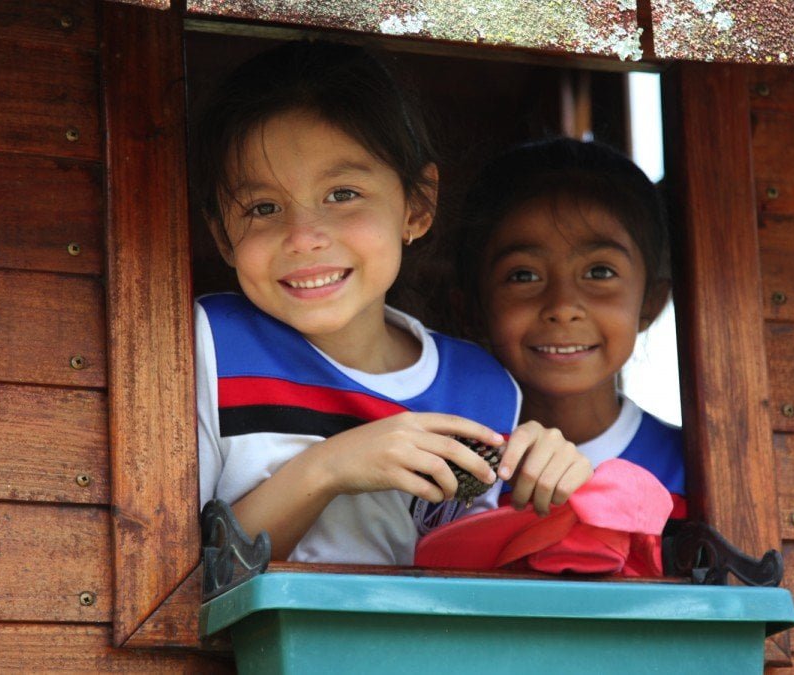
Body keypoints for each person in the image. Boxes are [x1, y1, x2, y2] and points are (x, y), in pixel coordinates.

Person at [189, 41, 592, 566]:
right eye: (263, 207)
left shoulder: (481, 387)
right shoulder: (212, 343)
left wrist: (548, 488)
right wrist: (327, 470)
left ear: (417, 206)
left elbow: (468, 586)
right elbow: (181, 578)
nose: (304, 237)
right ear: (223, 237)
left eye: (343, 194)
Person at [454, 138, 687, 519]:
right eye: (524, 275)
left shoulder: (695, 472)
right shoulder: (456, 468)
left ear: (651, 302)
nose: (562, 307)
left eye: (600, 272)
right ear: (472, 309)